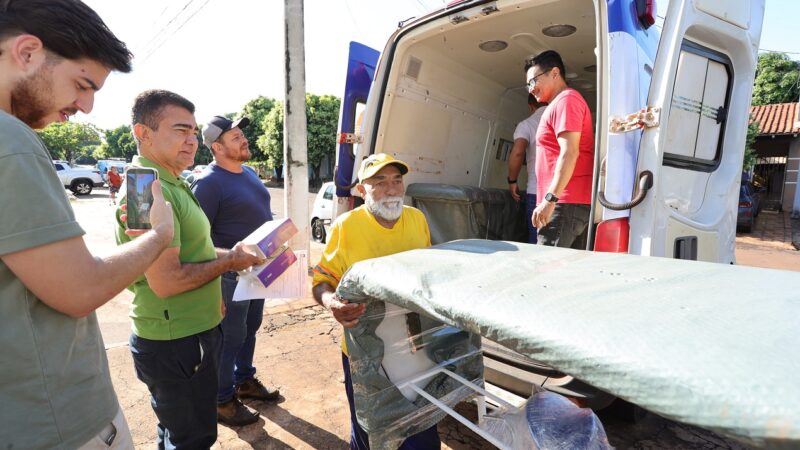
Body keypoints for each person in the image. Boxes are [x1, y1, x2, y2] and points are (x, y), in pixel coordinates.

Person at [0, 1, 176, 449]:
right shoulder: (11, 140)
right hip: (56, 423)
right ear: (27, 52)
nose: (86, 106)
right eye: (82, 84)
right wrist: (158, 236)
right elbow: (78, 289)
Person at [115, 90, 264, 448]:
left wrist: (224, 271)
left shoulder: (171, 180)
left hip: (193, 331)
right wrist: (229, 261)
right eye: (180, 130)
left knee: (178, 431)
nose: (192, 140)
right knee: (192, 438)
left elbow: (192, 250)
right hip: (175, 340)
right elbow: (166, 281)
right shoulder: (143, 191)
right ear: (143, 133)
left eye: (195, 132)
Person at [312, 153, 440, 450]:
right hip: (365, 348)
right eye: (379, 182)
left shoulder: (417, 219)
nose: (392, 190)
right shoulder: (346, 226)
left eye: (397, 181)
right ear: (361, 190)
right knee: (371, 430)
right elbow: (321, 281)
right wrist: (332, 303)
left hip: (413, 342)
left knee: (420, 423)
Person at [192, 115, 280, 427]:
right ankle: (222, 400)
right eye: (234, 137)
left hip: (257, 270)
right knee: (229, 338)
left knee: (250, 327)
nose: (243, 139)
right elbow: (197, 239)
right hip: (229, 276)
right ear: (216, 147)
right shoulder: (208, 183)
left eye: (242, 133)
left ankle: (244, 381)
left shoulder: (250, 173)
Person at [526, 50, 595, 249]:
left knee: (547, 272)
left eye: (533, 81)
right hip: (565, 203)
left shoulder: (567, 100)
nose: (530, 89)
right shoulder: (559, 104)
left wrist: (550, 199)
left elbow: (569, 152)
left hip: (564, 203)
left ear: (554, 73)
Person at [508, 93, 547, 244]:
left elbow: (518, 152)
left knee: (536, 241)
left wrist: (512, 181)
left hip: (536, 193)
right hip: (562, 194)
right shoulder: (561, 120)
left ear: (531, 106)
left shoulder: (527, 125)